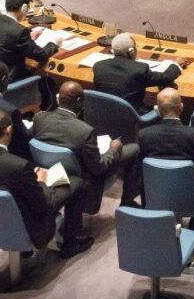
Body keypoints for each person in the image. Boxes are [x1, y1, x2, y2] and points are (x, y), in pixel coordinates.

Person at [0, 108, 91, 259]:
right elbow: (44, 205)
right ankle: (70, 244)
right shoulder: (19, 166)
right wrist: (42, 181)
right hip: (29, 228)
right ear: (9, 130)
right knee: (77, 182)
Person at [33, 80, 140, 208]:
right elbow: (99, 168)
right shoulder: (85, 131)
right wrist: (113, 149)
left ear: (58, 98)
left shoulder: (39, 119)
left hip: (50, 169)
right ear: (79, 102)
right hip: (84, 176)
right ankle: (128, 203)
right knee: (135, 148)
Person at [138, 88, 194, 228]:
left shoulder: (144, 135)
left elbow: (141, 171)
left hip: (155, 195)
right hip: (191, 198)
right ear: (181, 107)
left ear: (157, 111)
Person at [92, 33, 181, 115]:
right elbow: (166, 77)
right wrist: (176, 64)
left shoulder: (98, 66)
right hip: (133, 117)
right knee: (166, 109)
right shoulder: (139, 70)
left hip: (104, 115)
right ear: (132, 51)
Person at [0, 0, 61, 81]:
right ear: (24, 8)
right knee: (47, 81)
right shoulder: (20, 31)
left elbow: (8, 40)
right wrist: (54, 42)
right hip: (7, 81)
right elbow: (40, 55)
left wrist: (27, 39)